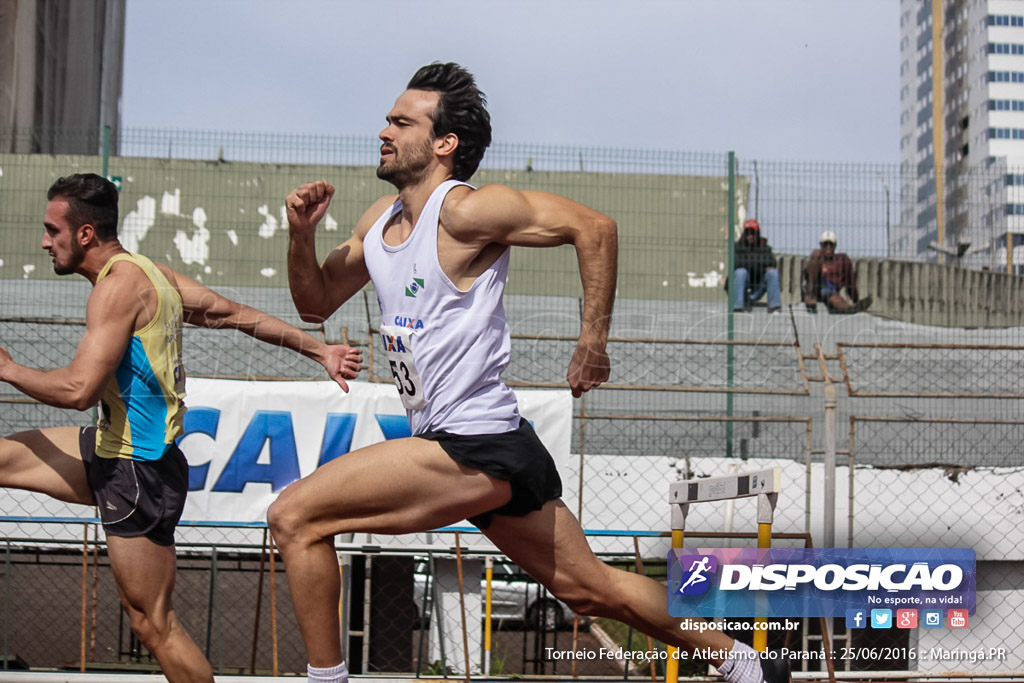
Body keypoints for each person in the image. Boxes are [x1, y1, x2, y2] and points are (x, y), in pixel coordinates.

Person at [270, 62, 788, 683]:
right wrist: (301, 235)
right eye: (386, 117)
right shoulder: (380, 223)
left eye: (401, 121)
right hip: (481, 444)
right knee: (595, 590)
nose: (384, 130)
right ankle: (745, 667)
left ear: (444, 144)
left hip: (474, 442)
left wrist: (592, 342)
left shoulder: (463, 212)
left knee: (295, 516)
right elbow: (315, 302)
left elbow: (594, 227)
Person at [0, 173, 363, 683]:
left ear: (84, 234)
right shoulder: (152, 273)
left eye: (51, 230)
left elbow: (78, 391)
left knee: (153, 624)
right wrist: (319, 349)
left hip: (136, 471)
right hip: (113, 449)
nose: (44, 242)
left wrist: (9, 369)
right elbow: (237, 315)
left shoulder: (116, 290)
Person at [801, 230, 872, 313]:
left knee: (831, 294)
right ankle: (810, 295)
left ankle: (850, 308)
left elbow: (851, 283)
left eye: (831, 244)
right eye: (825, 244)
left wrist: (855, 300)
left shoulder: (842, 260)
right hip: (816, 287)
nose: (828, 246)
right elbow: (807, 273)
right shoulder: (817, 257)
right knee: (825, 289)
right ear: (821, 245)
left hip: (831, 292)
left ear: (835, 246)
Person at [731, 218, 781, 313]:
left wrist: (749, 263)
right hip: (743, 289)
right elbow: (736, 264)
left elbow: (772, 263)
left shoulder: (764, 247)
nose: (750, 236)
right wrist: (760, 265)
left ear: (757, 234)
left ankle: (775, 306)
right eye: (748, 233)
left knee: (772, 273)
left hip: (758, 288)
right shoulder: (737, 247)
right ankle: (738, 306)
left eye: (753, 233)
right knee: (741, 272)